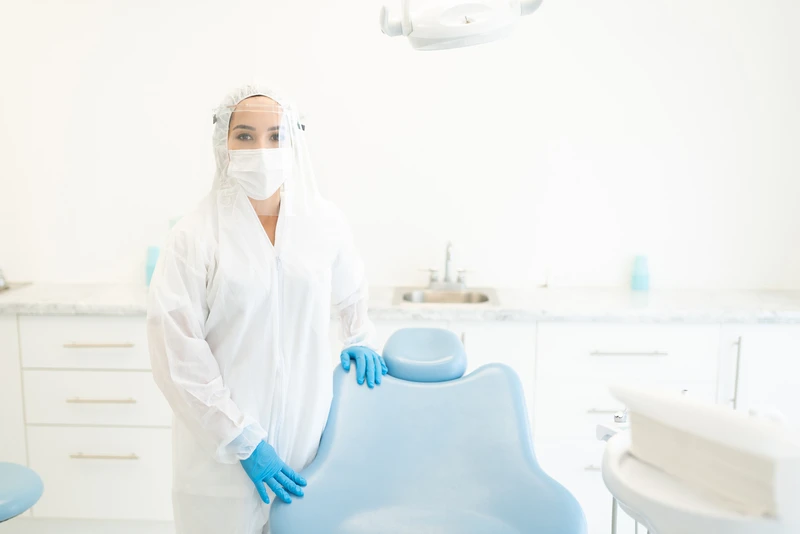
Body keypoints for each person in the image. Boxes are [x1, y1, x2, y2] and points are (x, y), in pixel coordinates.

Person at [147, 84, 386, 534]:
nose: (262, 149)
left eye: (276, 136)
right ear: (223, 143)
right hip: (220, 462)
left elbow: (351, 292)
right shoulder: (195, 235)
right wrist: (241, 438)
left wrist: (359, 338)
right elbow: (175, 349)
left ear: (295, 140)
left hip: (305, 451)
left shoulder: (324, 223)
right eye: (245, 136)